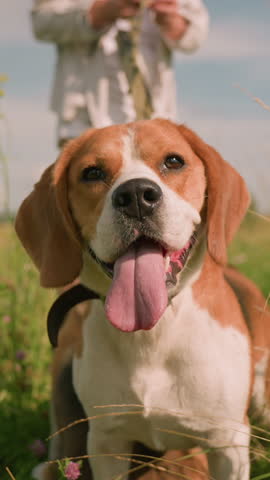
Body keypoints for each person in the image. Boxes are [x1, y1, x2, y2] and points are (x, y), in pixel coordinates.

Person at [31, 0, 209, 147]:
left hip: (155, 117)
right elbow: (41, 23)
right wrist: (98, 13)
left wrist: (172, 20)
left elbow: (195, 36)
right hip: (84, 119)